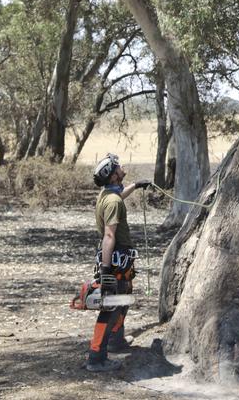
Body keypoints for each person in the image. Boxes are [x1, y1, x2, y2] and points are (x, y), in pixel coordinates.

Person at [85, 153, 151, 373]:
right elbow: (109, 236)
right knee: (110, 307)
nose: (122, 168)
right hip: (114, 261)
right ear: (113, 176)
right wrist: (105, 272)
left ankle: (116, 340)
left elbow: (118, 197)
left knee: (122, 300)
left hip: (119, 261)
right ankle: (96, 357)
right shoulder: (112, 201)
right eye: (119, 168)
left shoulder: (107, 194)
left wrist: (135, 185)